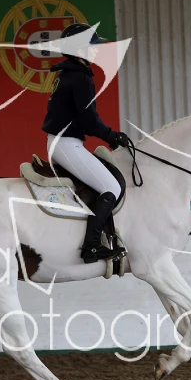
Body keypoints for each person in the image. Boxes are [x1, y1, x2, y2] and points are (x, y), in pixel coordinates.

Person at [41, 22, 130, 264]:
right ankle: (91, 247)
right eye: (92, 47)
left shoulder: (68, 74)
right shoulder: (80, 78)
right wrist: (113, 136)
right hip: (66, 144)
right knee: (111, 188)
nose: (96, 51)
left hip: (62, 142)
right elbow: (89, 121)